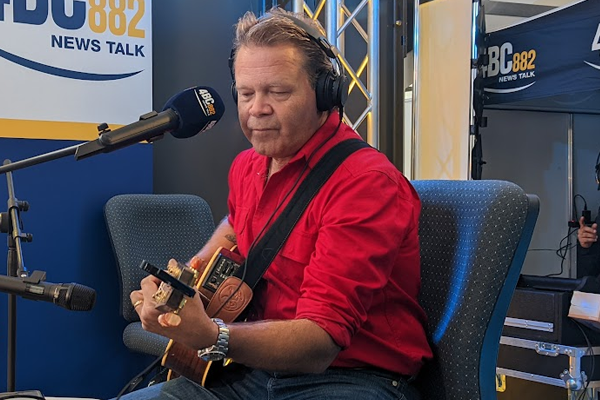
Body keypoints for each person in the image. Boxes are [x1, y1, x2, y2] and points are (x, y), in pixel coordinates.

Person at [123, 7, 431, 400]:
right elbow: (236, 225)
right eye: (246, 94)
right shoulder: (248, 166)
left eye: (278, 92)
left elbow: (320, 341)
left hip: (351, 378)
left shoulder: (365, 183)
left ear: (326, 94)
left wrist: (213, 335)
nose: (257, 109)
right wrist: (183, 281)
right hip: (254, 370)